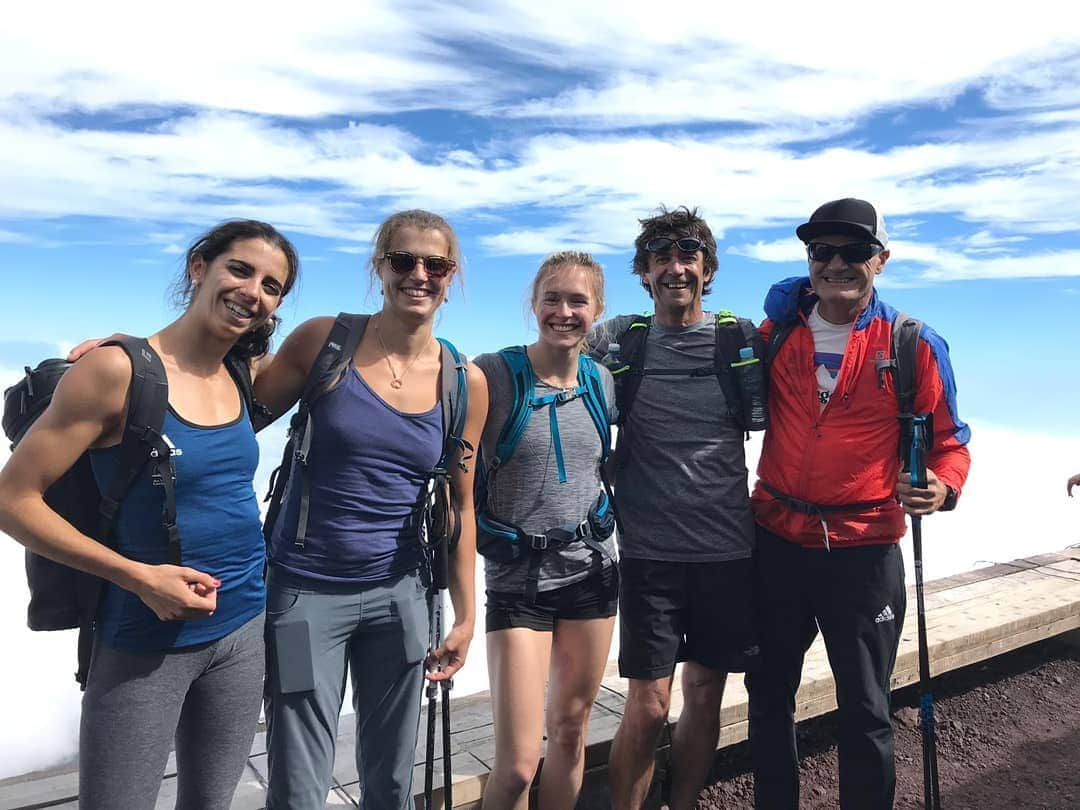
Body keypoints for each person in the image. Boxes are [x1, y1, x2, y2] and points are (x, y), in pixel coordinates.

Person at [0, 221, 299, 810]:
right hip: (143, 637)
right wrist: (138, 577)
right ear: (199, 267)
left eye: (272, 285)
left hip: (242, 629)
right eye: (239, 269)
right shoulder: (117, 373)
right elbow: (12, 500)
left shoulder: (239, 370)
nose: (254, 292)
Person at [252, 209, 486, 810]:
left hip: (402, 594)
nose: (419, 274)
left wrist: (464, 616)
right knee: (299, 785)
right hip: (304, 592)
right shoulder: (326, 340)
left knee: (391, 780)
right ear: (379, 266)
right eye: (403, 260)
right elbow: (235, 414)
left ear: (451, 275)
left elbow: (458, 508)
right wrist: (141, 359)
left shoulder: (463, 380)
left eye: (435, 265)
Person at [746, 198, 971, 809]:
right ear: (808, 260)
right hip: (776, 540)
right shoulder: (776, 333)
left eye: (854, 251)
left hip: (864, 550)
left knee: (867, 707)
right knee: (768, 696)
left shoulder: (912, 344)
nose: (836, 263)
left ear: (882, 260)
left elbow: (950, 441)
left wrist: (943, 487)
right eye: (822, 251)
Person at [588, 206, 762, 810]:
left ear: (706, 267)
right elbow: (549, 349)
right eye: (660, 256)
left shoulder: (737, 340)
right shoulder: (618, 338)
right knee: (649, 703)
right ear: (643, 272)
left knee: (706, 691)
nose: (675, 267)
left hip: (727, 549)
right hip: (648, 553)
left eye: (688, 254)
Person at [474, 251, 618, 810]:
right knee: (515, 766)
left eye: (577, 300)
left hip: (593, 571)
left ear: (597, 309)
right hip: (517, 581)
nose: (563, 311)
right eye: (551, 299)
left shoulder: (600, 381)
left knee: (569, 732)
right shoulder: (494, 375)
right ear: (533, 305)